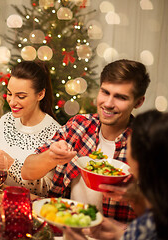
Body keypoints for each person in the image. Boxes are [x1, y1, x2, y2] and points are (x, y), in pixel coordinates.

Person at [22, 59, 150, 222]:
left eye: (120, 97)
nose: (108, 104)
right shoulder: (78, 125)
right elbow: (27, 172)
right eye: (105, 92)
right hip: (63, 225)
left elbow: (159, 218)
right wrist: (51, 157)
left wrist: (135, 198)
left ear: (138, 102)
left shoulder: (143, 146)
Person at [64, 110, 168, 240]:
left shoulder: (148, 226)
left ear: (138, 160)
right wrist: (119, 235)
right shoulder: (156, 214)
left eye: (128, 145)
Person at [0, 61, 60, 197]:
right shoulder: (5, 120)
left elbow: (47, 189)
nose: (12, 102)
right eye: (9, 94)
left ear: (40, 95)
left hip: (28, 207)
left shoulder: (55, 132)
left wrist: (11, 165)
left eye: (21, 96)